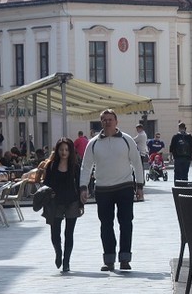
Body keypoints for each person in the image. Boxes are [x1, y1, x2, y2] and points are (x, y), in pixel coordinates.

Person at [79, 108, 145, 272]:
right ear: (101, 122)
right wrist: (83, 187)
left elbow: (137, 163)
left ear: (116, 122)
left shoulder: (127, 140)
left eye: (110, 119)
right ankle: (109, 259)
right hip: (103, 189)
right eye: (104, 119)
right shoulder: (93, 143)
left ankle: (124, 258)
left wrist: (140, 186)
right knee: (106, 225)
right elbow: (86, 167)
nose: (107, 122)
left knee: (126, 223)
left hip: (124, 187)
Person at [43, 137, 84, 272]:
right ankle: (58, 252)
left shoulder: (75, 166)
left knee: (69, 233)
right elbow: (46, 185)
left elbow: (79, 186)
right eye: (61, 149)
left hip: (72, 202)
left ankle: (66, 261)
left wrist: (81, 204)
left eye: (66, 149)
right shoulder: (51, 166)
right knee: (55, 233)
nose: (64, 152)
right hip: (55, 203)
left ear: (70, 151)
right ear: (57, 150)